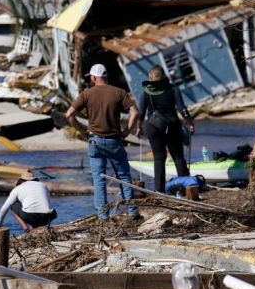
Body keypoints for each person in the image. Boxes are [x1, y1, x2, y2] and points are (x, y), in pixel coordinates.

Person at [65, 63, 140, 220]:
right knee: (124, 176)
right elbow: (134, 113)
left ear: (93, 77)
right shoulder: (119, 92)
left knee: (99, 180)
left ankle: (103, 216)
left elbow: (69, 115)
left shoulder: (86, 94)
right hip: (114, 141)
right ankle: (132, 212)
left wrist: (82, 130)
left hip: (94, 141)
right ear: (106, 76)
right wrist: (127, 131)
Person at [136, 65, 195, 193]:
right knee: (178, 157)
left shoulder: (146, 91)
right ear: (163, 76)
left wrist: (138, 127)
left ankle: (159, 190)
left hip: (152, 127)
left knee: (159, 158)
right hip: (171, 126)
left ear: (150, 78)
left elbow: (141, 112)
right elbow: (182, 109)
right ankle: (185, 187)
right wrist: (190, 123)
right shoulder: (173, 89)